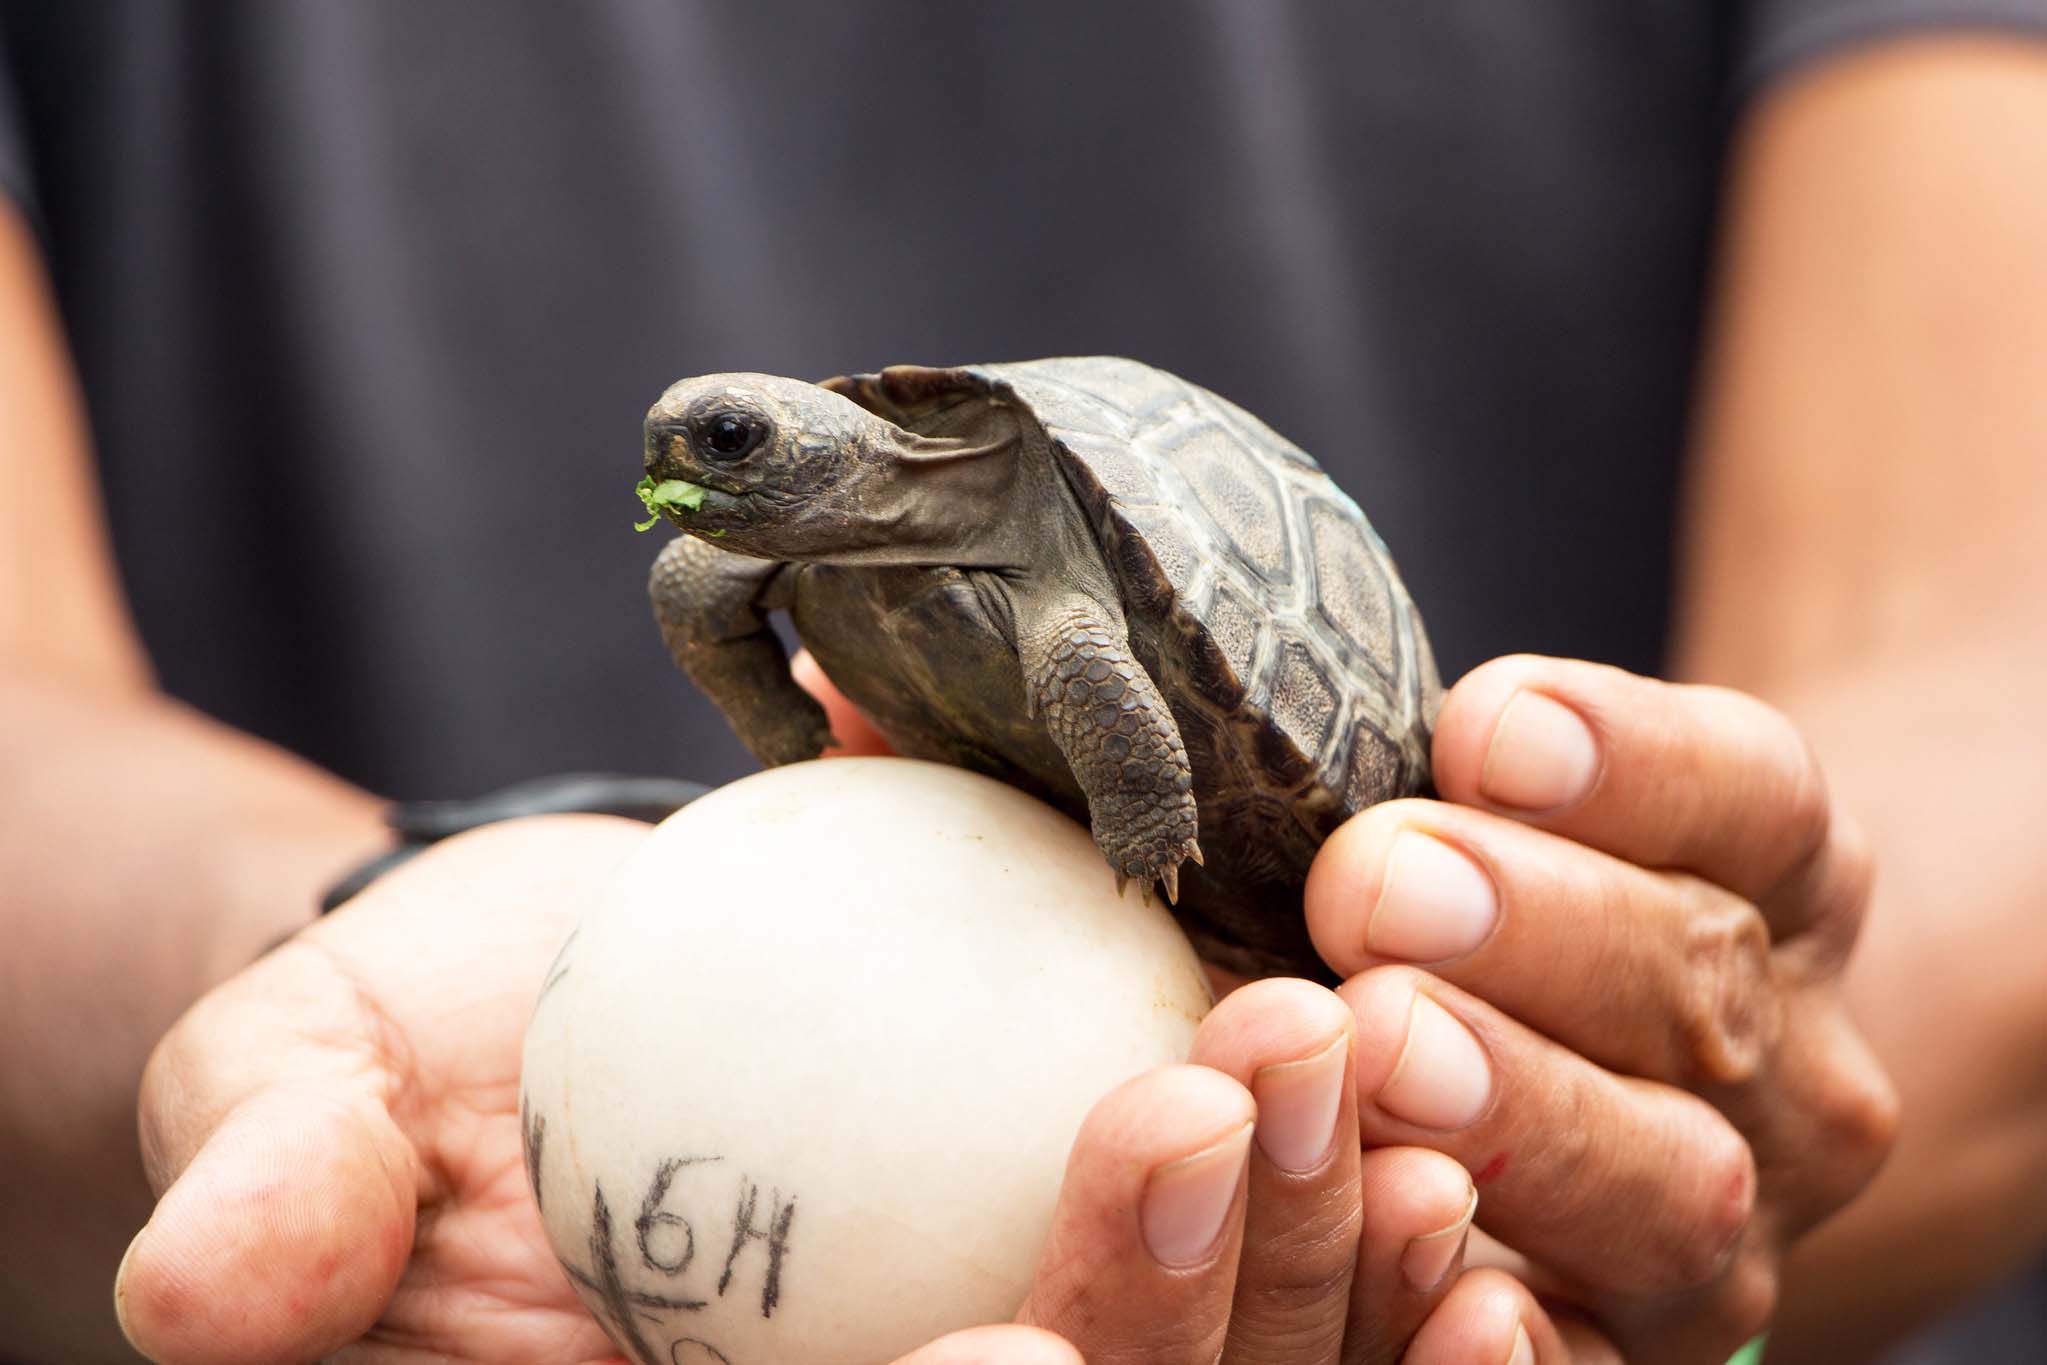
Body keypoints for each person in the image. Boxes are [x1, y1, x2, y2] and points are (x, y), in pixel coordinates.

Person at [1, 2, 2042, 1360]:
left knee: (1089, 677)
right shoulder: (755, 549)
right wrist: (347, 952)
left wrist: (1650, 1033)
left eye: (731, 445)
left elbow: (1985, 660)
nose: (699, 475)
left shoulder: (1039, 547)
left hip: (1333, 902)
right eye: (697, 448)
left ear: (806, 442)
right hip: (651, 949)